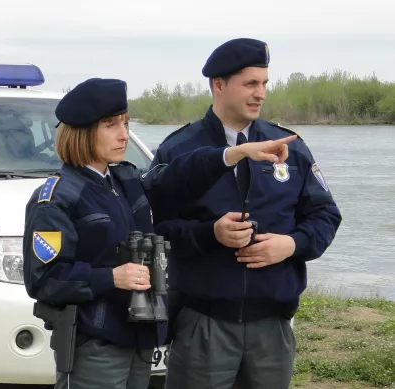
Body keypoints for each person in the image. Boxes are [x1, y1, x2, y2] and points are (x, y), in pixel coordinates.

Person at [22, 77, 298, 389]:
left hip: (139, 340)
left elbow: (178, 174)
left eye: (125, 124)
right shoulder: (58, 198)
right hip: (96, 344)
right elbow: (43, 279)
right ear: (83, 132)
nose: (124, 135)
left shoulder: (125, 181)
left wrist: (235, 153)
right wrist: (111, 277)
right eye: (111, 126)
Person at [147, 38, 343, 389]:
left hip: (272, 326)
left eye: (264, 83)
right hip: (204, 324)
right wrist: (211, 233)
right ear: (219, 85)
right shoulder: (179, 149)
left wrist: (292, 244)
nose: (260, 94)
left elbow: (325, 215)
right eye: (250, 83)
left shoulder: (288, 147)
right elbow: (156, 227)